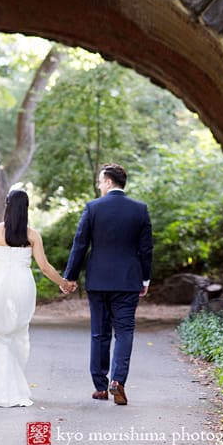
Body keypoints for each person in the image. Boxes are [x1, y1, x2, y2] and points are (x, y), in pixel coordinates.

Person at [0, 189, 75, 407]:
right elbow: (44, 267)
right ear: (26, 208)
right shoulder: (32, 235)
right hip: (22, 288)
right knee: (15, 335)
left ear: (7, 206)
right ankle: (12, 388)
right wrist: (63, 283)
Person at [63, 163, 153, 405]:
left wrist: (70, 276)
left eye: (101, 181)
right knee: (124, 332)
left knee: (99, 333)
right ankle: (118, 381)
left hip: (98, 280)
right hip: (128, 280)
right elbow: (146, 249)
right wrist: (145, 279)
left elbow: (80, 244)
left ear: (110, 182)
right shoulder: (140, 210)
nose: (99, 186)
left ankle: (101, 387)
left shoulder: (93, 208)